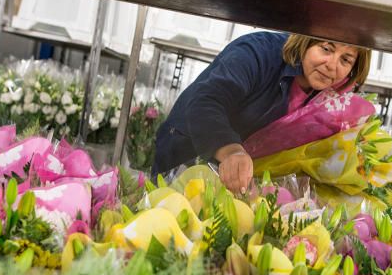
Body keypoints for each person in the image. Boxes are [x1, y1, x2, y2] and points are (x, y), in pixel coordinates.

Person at [152, 31, 371, 193]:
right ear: (306, 40)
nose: (332, 65)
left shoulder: (331, 97)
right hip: (183, 159)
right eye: (326, 48)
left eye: (346, 60)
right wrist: (231, 152)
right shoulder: (257, 52)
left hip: (234, 184)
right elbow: (206, 101)